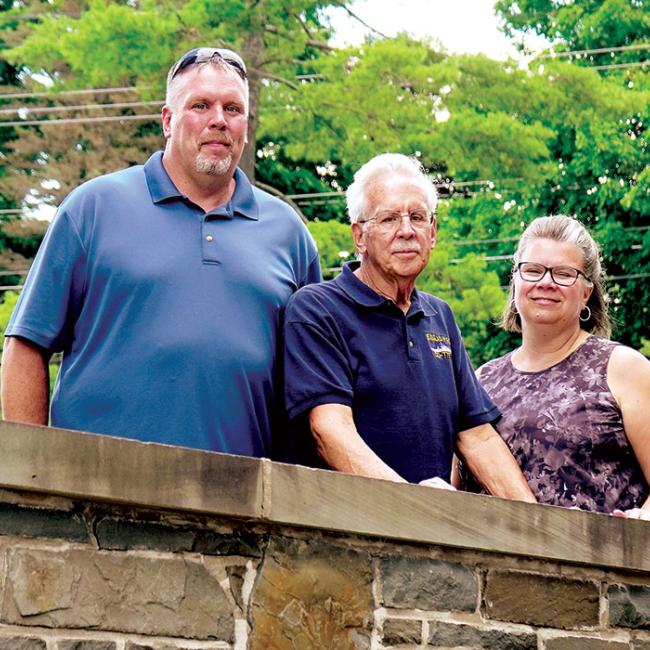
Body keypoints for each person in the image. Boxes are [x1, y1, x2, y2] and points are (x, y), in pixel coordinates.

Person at [1, 47, 321, 456]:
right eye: (200, 105)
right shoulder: (93, 208)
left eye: (233, 109)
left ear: (246, 124)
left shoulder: (288, 232)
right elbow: (26, 345)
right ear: (167, 120)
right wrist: (32, 469)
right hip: (97, 496)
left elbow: (314, 382)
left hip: (244, 500)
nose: (218, 120)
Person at [282, 153, 536, 500]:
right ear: (359, 236)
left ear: (432, 233)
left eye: (417, 218)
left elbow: (477, 436)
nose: (406, 231)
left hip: (424, 537)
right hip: (341, 536)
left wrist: (537, 521)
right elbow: (329, 431)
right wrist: (413, 504)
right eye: (388, 219)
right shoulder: (317, 308)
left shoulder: (439, 316)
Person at [466, 215, 650, 518]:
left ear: (587, 293)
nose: (546, 282)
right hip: (494, 561)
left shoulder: (622, 368)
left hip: (600, 560)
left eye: (564, 274)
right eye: (533, 271)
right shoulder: (481, 381)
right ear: (515, 283)